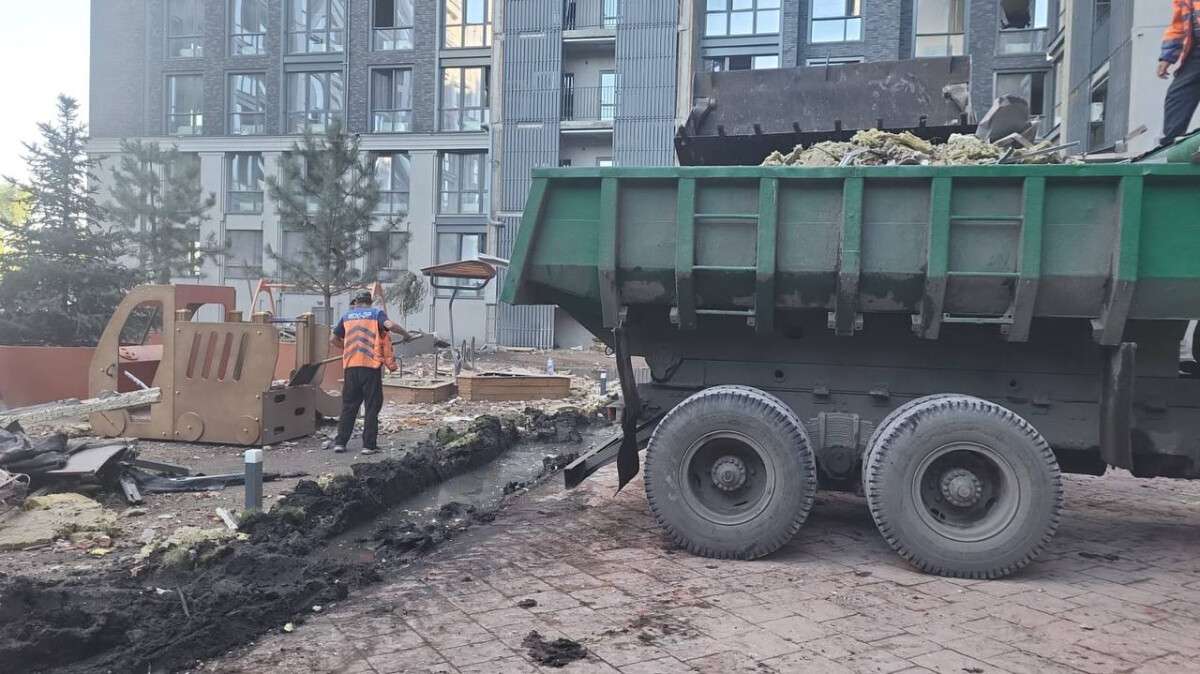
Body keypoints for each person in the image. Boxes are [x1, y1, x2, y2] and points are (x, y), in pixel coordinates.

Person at [329, 291, 411, 455]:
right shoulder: (376, 314)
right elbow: (390, 326)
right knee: (372, 406)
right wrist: (406, 334)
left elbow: (333, 339)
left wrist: (346, 348)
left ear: (356, 302)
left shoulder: (347, 316)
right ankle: (368, 446)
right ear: (370, 301)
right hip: (370, 367)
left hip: (351, 366)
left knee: (349, 406)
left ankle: (340, 443)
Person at [1159, 0, 1200, 144]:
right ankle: (1172, 143)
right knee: (1178, 95)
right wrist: (1167, 57)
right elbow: (1178, 27)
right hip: (1196, 52)